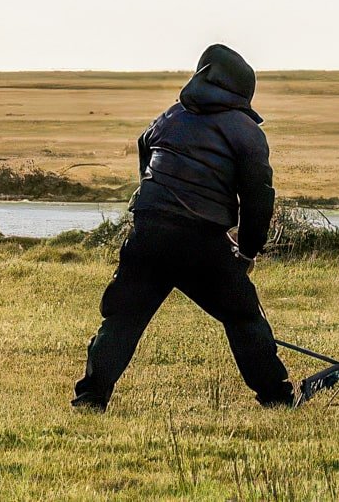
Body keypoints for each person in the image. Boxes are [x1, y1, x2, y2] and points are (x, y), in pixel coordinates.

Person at [72, 44, 295, 410]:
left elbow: (145, 147)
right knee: (243, 316)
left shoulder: (170, 117)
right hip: (201, 241)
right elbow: (258, 197)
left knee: (123, 316)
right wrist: (249, 250)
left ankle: (90, 397)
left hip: (148, 232)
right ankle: (277, 398)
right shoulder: (246, 132)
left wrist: (154, 197)